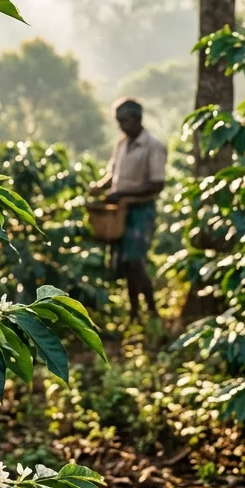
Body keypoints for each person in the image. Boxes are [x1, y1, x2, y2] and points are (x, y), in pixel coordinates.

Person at [90, 98, 167, 321]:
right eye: (118, 121)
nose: (120, 126)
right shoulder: (122, 144)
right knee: (125, 264)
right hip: (119, 212)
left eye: (123, 121)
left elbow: (157, 183)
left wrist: (123, 193)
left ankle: (151, 310)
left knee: (135, 261)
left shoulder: (153, 146)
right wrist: (99, 187)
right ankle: (134, 312)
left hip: (140, 210)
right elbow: (112, 174)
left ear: (136, 118)